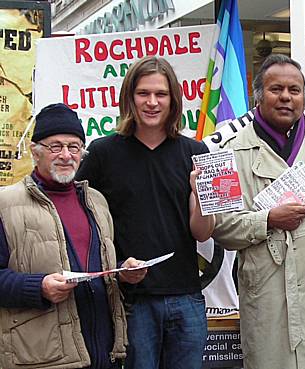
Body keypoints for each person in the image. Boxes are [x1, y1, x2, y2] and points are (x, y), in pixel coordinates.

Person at [211, 54, 305, 369]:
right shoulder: (232, 151)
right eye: (276, 89)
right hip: (267, 294)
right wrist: (267, 220)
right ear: (259, 96)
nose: (286, 97)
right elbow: (221, 228)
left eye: (295, 89)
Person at [75, 56, 215, 369]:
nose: (152, 102)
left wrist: (201, 193)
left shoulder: (195, 152)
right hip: (129, 301)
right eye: (143, 93)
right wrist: (116, 266)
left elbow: (203, 232)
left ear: (173, 100)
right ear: (129, 98)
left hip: (187, 296)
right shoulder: (102, 153)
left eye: (160, 94)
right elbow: (81, 224)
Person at [0, 103, 147, 369]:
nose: (66, 155)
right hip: (44, 358)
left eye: (74, 146)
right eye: (55, 146)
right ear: (35, 152)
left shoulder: (97, 202)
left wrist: (124, 274)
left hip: (104, 353)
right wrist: (39, 287)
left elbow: (104, 269)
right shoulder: (5, 204)